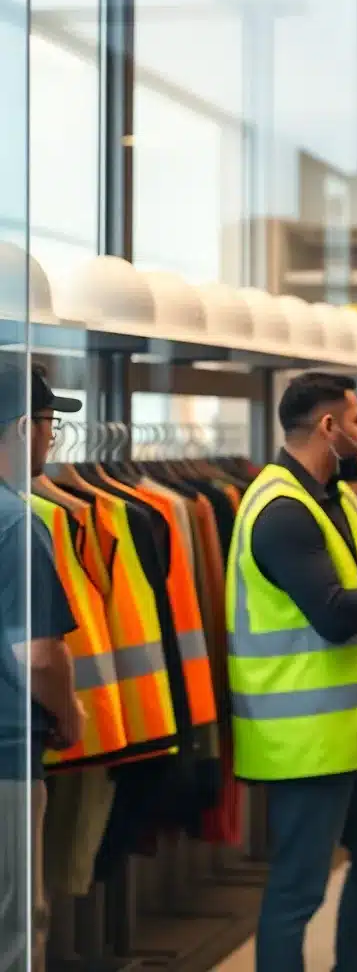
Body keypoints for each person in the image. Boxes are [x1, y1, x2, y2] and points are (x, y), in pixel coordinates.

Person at [226, 371, 357, 972]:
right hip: (306, 739)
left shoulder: (336, 498)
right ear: (329, 427)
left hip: (353, 732)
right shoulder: (282, 511)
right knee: (298, 889)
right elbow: (335, 615)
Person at [0, 363, 84, 972]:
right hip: (5, 753)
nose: (52, 439)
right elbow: (35, 653)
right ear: (25, 426)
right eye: (52, 424)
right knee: (16, 928)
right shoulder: (17, 524)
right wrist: (70, 711)